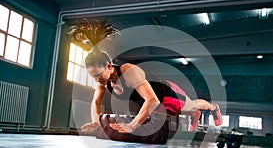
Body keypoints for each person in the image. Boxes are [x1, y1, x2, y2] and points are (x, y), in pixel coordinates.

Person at [81, 49, 222, 135]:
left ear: (109, 66)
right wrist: (95, 121)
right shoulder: (103, 82)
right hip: (153, 105)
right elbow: (96, 101)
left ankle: (212, 108)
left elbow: (152, 100)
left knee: (191, 105)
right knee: (177, 113)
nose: (96, 80)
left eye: (98, 75)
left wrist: (132, 126)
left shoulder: (128, 71)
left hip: (165, 94)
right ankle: (194, 114)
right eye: (92, 76)